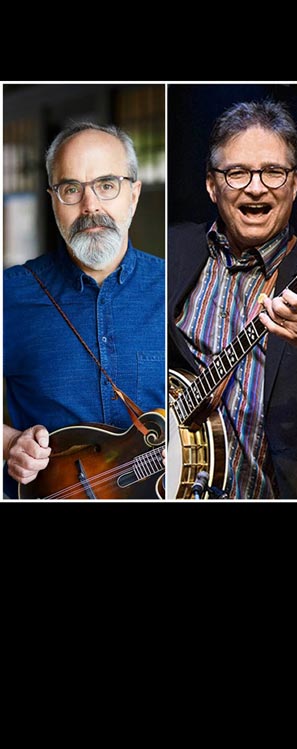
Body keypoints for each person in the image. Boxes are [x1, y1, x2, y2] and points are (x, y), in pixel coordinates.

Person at [168, 99, 297, 499]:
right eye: (237, 173)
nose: (256, 188)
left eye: (273, 172)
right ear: (212, 185)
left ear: (295, 184)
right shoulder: (172, 250)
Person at [4, 122, 164, 497]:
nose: (90, 206)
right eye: (71, 189)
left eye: (106, 185)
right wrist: (9, 443)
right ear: (53, 200)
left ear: (134, 194)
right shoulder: (10, 295)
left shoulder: (178, 288)